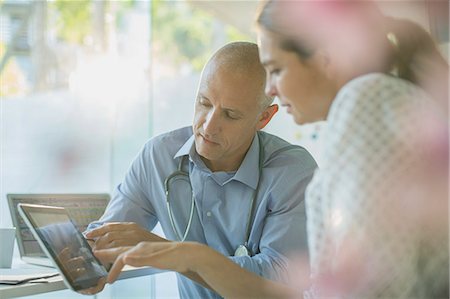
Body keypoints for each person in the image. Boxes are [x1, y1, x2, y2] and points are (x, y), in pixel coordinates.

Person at [94, 1, 449, 298]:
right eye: (203, 103)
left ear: (325, 59)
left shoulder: (363, 101)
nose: (274, 88)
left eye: (276, 70)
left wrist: (183, 255)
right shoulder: (374, 104)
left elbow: (373, 287)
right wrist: (182, 255)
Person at [84, 41, 317, 298]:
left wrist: (172, 253)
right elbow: (110, 235)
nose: (208, 126)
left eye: (230, 115)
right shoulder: (158, 157)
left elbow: (280, 280)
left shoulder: (293, 172)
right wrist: (89, 259)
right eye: (204, 103)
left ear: (264, 118)